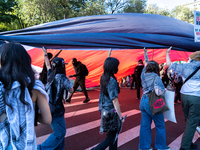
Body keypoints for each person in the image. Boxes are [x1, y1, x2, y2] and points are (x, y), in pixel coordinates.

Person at [0, 42, 51, 149]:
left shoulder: (1, 88)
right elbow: (47, 119)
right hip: (26, 144)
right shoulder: (35, 87)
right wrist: (28, 113)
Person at [37, 48, 74, 150]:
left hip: (48, 107)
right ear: (62, 66)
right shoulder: (62, 77)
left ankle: (59, 148)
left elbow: (48, 65)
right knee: (60, 133)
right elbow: (71, 89)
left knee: (61, 130)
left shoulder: (50, 75)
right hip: (56, 109)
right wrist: (66, 97)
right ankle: (41, 148)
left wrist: (45, 53)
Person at [166, 48, 200, 150]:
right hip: (196, 97)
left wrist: (167, 52)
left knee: (188, 119)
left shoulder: (185, 66)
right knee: (192, 121)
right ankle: (185, 147)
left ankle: (188, 142)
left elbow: (169, 65)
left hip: (184, 95)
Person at [139, 48, 170, 150]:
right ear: (157, 69)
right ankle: (161, 147)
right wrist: (164, 90)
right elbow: (158, 92)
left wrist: (145, 52)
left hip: (143, 100)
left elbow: (146, 62)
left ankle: (144, 147)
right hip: (152, 102)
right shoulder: (156, 78)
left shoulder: (143, 74)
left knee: (145, 126)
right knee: (160, 125)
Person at [92, 57, 125, 150]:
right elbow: (115, 100)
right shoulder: (112, 81)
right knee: (110, 138)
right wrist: (120, 116)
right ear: (113, 67)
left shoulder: (103, 77)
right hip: (111, 111)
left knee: (113, 136)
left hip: (104, 109)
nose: (118, 67)